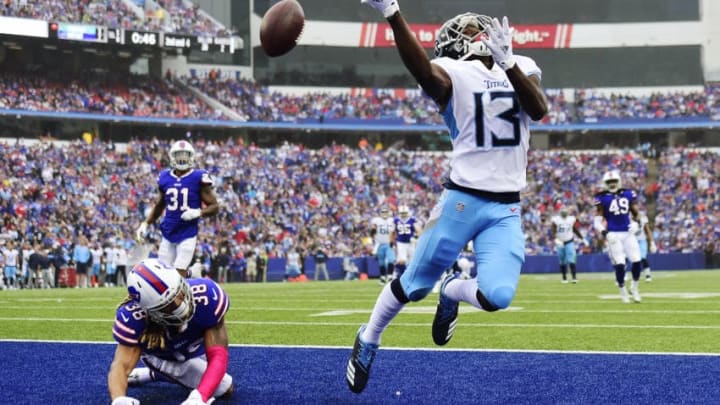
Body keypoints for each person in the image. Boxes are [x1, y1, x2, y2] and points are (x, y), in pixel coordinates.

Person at [347, 2, 547, 394]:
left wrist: (508, 65)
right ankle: (369, 337)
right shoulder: (453, 74)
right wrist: (392, 12)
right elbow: (423, 71)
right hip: (462, 200)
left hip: (505, 207)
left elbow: (538, 110)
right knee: (414, 285)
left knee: (498, 296)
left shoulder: (521, 64)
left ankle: (453, 289)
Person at [107, 258, 233, 405]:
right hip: (164, 355)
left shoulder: (207, 296)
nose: (180, 304)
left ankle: (154, 375)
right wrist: (118, 399)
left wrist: (199, 397)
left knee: (212, 379)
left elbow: (218, 355)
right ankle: (160, 370)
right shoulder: (134, 319)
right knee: (224, 387)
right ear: (149, 311)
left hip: (194, 346)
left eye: (180, 293)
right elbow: (121, 365)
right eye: (168, 305)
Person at [135, 140, 220, 278]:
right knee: (163, 276)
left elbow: (215, 207)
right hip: (168, 231)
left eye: (185, 154)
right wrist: (145, 224)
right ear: (172, 156)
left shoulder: (198, 176)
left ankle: (186, 281)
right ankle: (192, 273)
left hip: (187, 232)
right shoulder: (164, 177)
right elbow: (159, 205)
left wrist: (198, 212)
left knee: (176, 277)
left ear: (191, 156)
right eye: (178, 154)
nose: (182, 158)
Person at [593, 170, 651, 303]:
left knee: (637, 261)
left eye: (614, 181)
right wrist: (606, 233)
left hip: (628, 233)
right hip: (614, 234)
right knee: (620, 264)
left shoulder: (628, 193)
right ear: (605, 183)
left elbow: (636, 213)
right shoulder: (601, 197)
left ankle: (634, 288)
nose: (612, 184)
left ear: (618, 181)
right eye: (609, 182)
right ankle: (622, 290)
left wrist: (637, 224)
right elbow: (597, 222)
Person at [551, 208, 586, 284]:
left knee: (571, 259)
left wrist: (582, 238)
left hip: (569, 241)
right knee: (562, 260)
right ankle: (564, 277)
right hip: (560, 242)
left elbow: (575, 228)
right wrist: (555, 239)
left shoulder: (571, 219)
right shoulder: (556, 219)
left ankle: (574, 277)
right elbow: (553, 229)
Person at [392, 204, 421, 279]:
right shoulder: (396, 220)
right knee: (402, 260)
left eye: (405, 213)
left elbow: (419, 230)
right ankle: (398, 275)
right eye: (402, 213)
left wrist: (415, 237)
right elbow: (392, 232)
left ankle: (409, 276)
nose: (403, 215)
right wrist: (391, 241)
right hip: (401, 242)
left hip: (411, 243)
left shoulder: (412, 219)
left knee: (412, 261)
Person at [370, 206, 395, 284]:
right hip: (379, 244)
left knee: (391, 259)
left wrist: (392, 241)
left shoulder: (391, 220)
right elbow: (372, 231)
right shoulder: (376, 220)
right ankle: (383, 277)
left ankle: (390, 276)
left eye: (386, 212)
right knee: (381, 262)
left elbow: (394, 232)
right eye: (383, 212)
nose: (384, 214)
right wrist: (373, 231)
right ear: (380, 213)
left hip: (388, 243)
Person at [630, 211, 656, 282]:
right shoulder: (628, 220)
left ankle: (648, 275)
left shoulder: (643, 219)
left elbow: (648, 230)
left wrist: (652, 242)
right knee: (633, 259)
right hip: (632, 240)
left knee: (643, 258)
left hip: (642, 240)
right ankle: (626, 276)